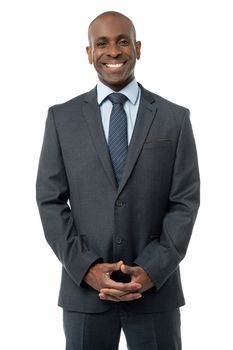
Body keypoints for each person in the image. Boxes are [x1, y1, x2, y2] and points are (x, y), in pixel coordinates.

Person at [36, 10, 200, 350]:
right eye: (102, 44)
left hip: (156, 293)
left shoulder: (174, 119)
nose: (113, 51)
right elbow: (50, 200)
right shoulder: (61, 119)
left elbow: (185, 201)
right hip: (85, 295)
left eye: (123, 41)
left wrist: (152, 270)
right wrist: (87, 268)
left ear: (138, 48)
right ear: (89, 53)